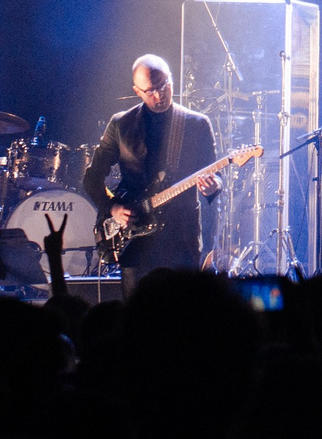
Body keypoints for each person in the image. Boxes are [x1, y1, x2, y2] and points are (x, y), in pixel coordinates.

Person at [81, 55, 220, 279]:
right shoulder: (120, 124)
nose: (160, 94)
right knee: (137, 311)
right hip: (135, 236)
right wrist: (113, 208)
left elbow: (215, 174)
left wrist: (212, 187)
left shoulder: (197, 124)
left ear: (171, 80)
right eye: (151, 90)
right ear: (137, 91)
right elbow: (92, 178)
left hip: (181, 235)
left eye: (164, 85)